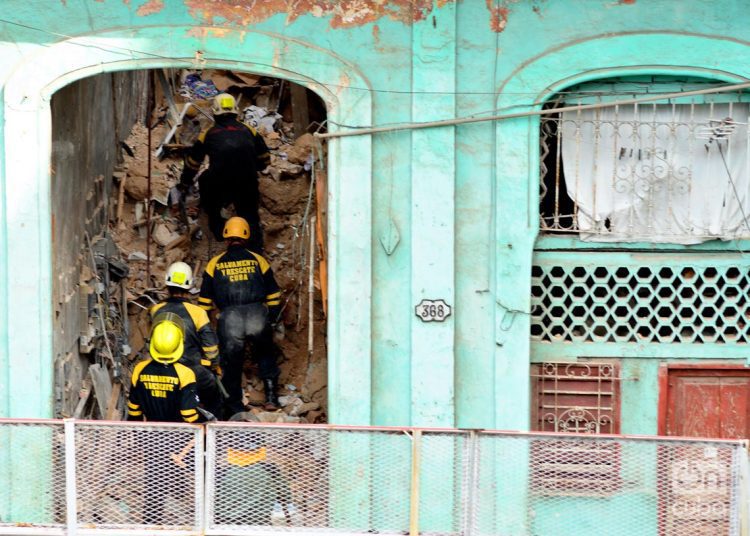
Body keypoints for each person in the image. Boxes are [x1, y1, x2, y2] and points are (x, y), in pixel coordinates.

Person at [198, 216, 282, 416]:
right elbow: (274, 293)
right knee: (266, 355)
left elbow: (204, 302)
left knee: (231, 364)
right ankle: (271, 398)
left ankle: (233, 406)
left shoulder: (214, 264)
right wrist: (272, 318)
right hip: (257, 316)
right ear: (246, 236)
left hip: (230, 319)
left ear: (226, 237)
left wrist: (207, 328)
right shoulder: (258, 260)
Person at [126, 313, 205, 525]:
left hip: (152, 436)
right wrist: (201, 423)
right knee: (200, 472)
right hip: (179, 439)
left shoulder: (139, 369)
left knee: (154, 483)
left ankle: (152, 523)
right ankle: (202, 518)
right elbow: (189, 415)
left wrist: (138, 438)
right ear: (179, 343)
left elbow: (134, 409)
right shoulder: (185, 373)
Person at [178, 92, 270, 252]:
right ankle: (256, 249)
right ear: (236, 111)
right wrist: (251, 166)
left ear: (215, 112)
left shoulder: (208, 134)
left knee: (205, 180)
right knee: (250, 216)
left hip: (220, 184)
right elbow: (265, 159)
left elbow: (193, 164)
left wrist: (184, 183)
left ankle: (218, 227)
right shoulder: (249, 131)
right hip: (246, 183)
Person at [150, 261, 223, 418]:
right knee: (215, 397)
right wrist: (215, 366)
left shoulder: (156, 310)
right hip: (192, 370)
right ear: (189, 286)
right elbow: (211, 349)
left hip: (161, 370)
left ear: (167, 284)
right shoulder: (198, 312)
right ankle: (213, 431)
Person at [214, 429, 293, 526]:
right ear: (261, 448)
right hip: (259, 522)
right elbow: (286, 496)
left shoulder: (222, 472)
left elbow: (213, 501)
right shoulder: (270, 470)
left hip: (226, 523)